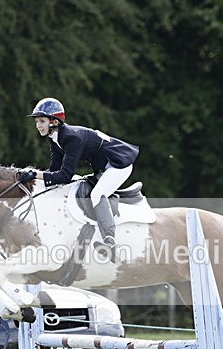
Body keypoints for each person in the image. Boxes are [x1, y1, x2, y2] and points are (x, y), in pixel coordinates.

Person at [20, 97, 139, 262]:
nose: (38, 125)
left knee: (96, 194)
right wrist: (35, 178)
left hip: (118, 164)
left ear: (54, 121)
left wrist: (34, 174)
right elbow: (54, 171)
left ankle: (110, 242)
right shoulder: (55, 137)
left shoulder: (71, 138)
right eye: (37, 121)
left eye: (42, 121)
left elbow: (65, 176)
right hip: (103, 167)